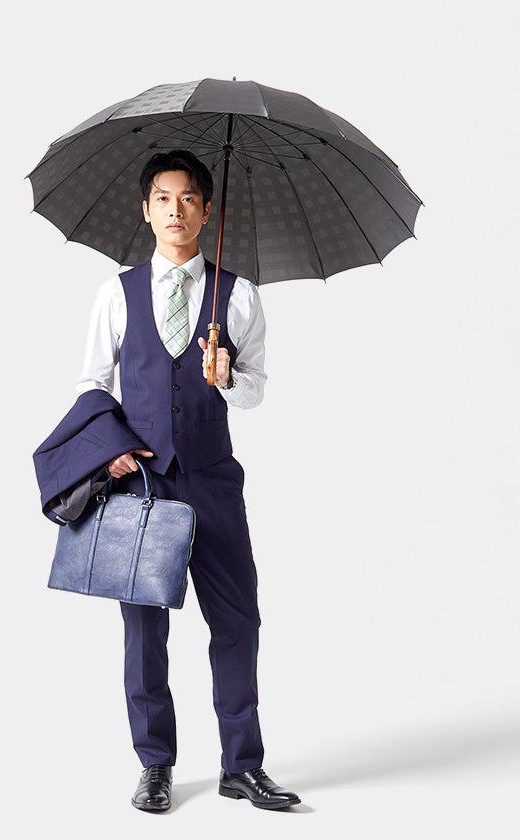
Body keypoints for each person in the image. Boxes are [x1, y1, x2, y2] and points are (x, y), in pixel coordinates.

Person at [75, 149, 301, 812]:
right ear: (146, 210)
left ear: (207, 212)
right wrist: (111, 451)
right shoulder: (115, 294)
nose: (176, 210)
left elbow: (256, 392)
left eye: (189, 199)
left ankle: (242, 766)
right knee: (145, 631)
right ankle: (155, 764)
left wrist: (226, 375)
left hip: (213, 481)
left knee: (237, 621)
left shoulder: (240, 294)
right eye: (163, 198)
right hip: (141, 486)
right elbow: (92, 386)